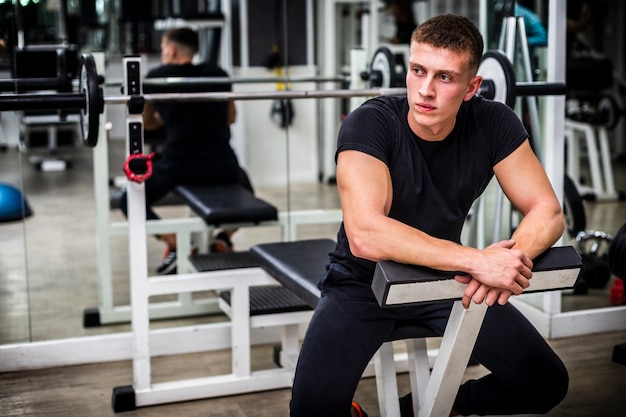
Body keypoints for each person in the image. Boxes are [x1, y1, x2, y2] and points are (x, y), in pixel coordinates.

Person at [289, 14, 568, 417]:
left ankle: (422, 409)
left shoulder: (493, 123)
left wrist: (508, 261)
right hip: (362, 282)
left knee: (545, 382)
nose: (425, 90)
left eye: (445, 78)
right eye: (418, 71)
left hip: (448, 281)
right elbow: (366, 233)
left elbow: (548, 210)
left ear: (472, 87)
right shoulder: (372, 122)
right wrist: (478, 260)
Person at [118, 27, 252, 275]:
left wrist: (165, 115)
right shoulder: (217, 74)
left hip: (179, 165)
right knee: (248, 192)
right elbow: (231, 117)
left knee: (128, 199)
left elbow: (146, 123)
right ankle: (222, 239)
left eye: (162, 48)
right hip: (221, 165)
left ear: (171, 49)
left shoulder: (157, 78)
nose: (162, 52)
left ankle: (177, 244)